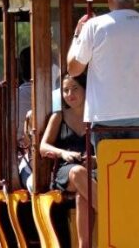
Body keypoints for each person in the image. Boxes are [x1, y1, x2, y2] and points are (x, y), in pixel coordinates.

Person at [67, 0, 139, 147]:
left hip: (105, 115)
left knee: (109, 172)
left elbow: (73, 69)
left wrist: (77, 34)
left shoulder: (94, 26)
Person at [40, 74, 97, 248]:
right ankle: (115, 218)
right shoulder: (59, 116)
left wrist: (95, 159)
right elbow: (43, 147)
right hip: (67, 171)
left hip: (93, 170)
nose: (70, 94)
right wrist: (63, 153)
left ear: (86, 89)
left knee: (83, 195)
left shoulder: (96, 115)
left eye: (75, 89)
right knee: (78, 173)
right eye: (65, 90)